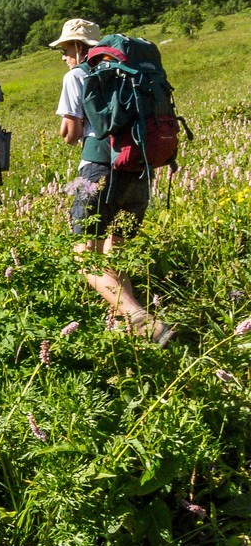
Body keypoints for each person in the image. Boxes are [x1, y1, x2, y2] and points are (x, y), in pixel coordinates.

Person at [51, 18, 173, 344]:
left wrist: (68, 126)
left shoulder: (77, 75)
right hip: (138, 168)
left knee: (85, 256)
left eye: (65, 50)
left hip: (97, 171)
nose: (64, 57)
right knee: (115, 252)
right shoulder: (127, 70)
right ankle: (131, 332)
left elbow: (71, 134)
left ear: (78, 48)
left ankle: (139, 317)